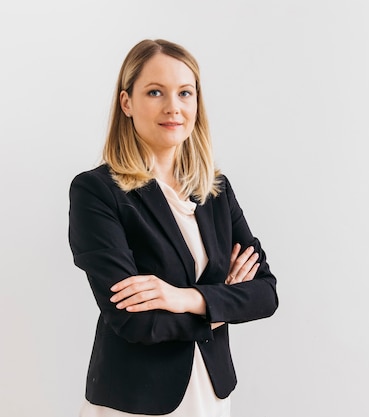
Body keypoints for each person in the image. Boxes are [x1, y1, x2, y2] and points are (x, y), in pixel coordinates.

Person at [68, 39, 279, 417]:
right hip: (134, 403)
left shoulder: (215, 190)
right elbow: (134, 319)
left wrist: (182, 298)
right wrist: (222, 300)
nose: (173, 107)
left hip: (211, 396)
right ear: (126, 102)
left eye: (185, 93)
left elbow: (265, 293)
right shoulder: (97, 192)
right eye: (155, 92)